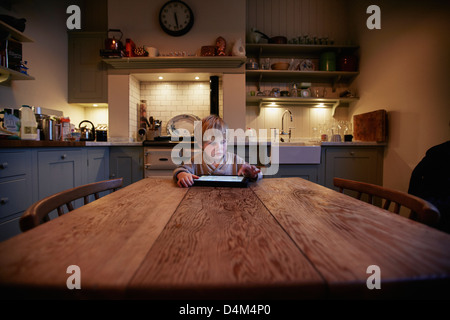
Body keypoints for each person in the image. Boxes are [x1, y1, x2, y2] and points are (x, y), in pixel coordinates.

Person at [173, 115, 262, 188]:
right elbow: (180, 170)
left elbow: (257, 173)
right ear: (201, 144)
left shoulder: (235, 160)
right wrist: (182, 174)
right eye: (212, 143)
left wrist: (253, 175)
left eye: (222, 142)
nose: (218, 147)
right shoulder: (195, 161)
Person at [408, 140, 450, 233]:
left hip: (429, 202)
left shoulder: (436, 150)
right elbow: (416, 175)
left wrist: (414, 200)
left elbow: (416, 174)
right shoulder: (437, 151)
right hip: (435, 204)